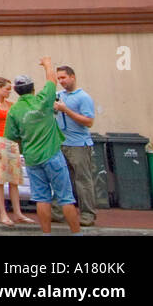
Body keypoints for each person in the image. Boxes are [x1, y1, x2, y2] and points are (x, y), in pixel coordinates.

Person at [4, 58, 82, 235]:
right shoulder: (43, 100)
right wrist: (47, 64)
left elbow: (11, 137)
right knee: (66, 198)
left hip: (32, 158)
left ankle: (46, 234)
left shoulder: (14, 111)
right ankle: (77, 233)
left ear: (16, 91)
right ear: (33, 88)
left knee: (41, 199)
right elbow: (51, 81)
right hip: (52, 154)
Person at [0, 77, 36, 226]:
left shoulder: (11, 104)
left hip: (11, 142)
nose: (9, 92)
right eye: (6, 89)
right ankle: (3, 213)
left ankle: (18, 213)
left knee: (14, 180)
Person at [52, 65, 96, 227]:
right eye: (59, 79)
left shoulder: (83, 97)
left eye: (63, 78)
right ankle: (57, 212)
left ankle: (87, 215)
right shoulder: (58, 96)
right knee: (60, 179)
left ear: (72, 77)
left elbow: (89, 121)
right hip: (61, 143)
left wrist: (66, 110)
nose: (61, 81)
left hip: (79, 145)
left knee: (82, 181)